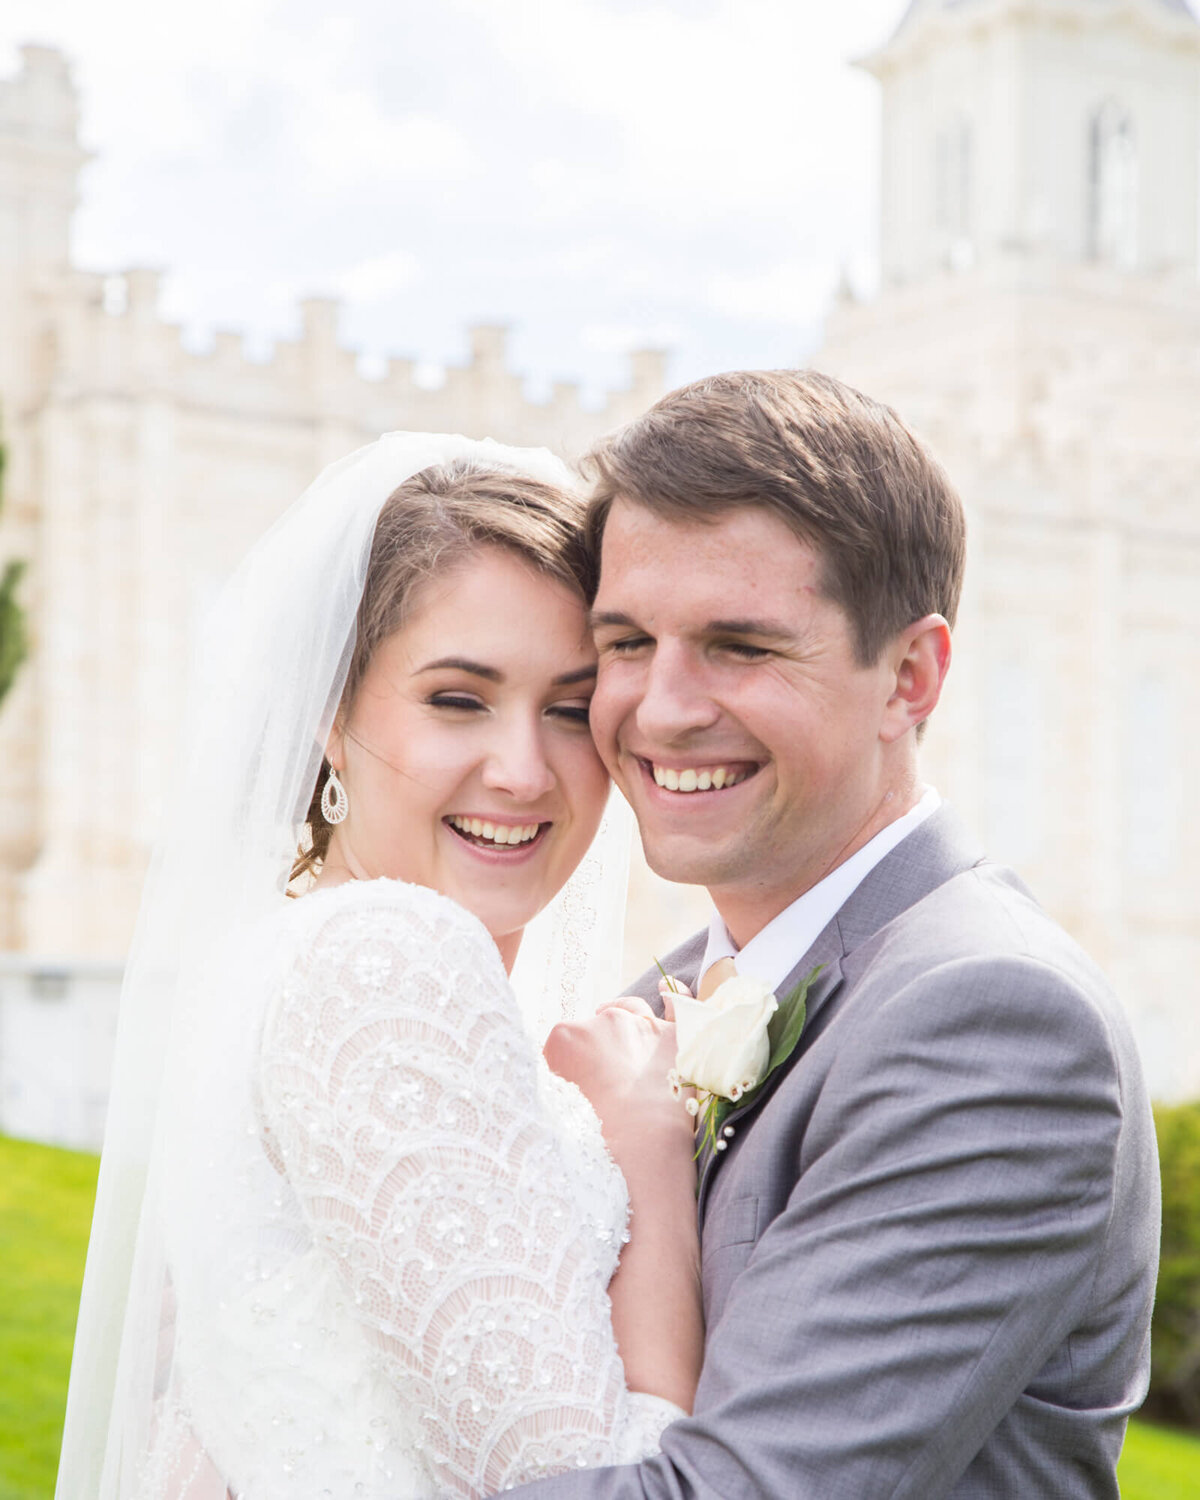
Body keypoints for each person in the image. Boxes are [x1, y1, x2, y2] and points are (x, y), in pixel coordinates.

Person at [518, 369, 1160, 1499]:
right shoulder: (669, 993)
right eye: (624, 643)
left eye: (741, 646)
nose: (661, 708)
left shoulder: (994, 1020)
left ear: (908, 678)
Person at [55, 434, 702, 1500]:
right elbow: (585, 1481)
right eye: (458, 699)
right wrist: (652, 1155)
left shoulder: (270, 953)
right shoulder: (386, 957)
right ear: (333, 719)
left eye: (571, 707)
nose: (524, 770)